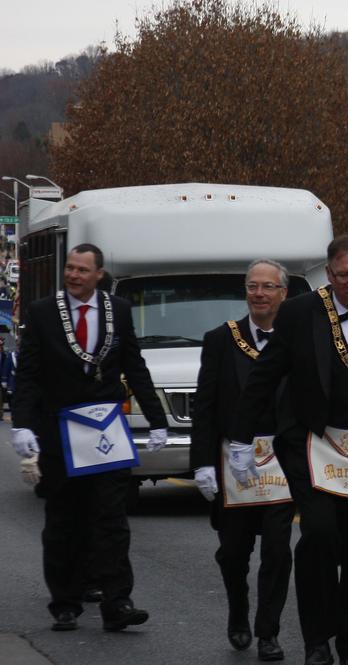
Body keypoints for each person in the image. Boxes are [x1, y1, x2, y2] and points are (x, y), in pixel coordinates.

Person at [228, 237, 348, 665]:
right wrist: (240, 438)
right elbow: (264, 378)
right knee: (320, 538)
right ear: (328, 274)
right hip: (314, 445)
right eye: (344, 275)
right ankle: (317, 640)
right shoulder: (298, 313)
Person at [10, 243, 168, 632]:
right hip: (60, 428)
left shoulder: (119, 310)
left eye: (83, 270)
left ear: (99, 274)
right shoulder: (44, 313)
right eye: (70, 268)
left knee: (112, 518)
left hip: (106, 430)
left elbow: (134, 364)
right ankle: (65, 601)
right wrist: (22, 424)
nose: (73, 275)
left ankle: (118, 602)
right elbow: (28, 375)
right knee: (65, 518)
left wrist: (156, 419)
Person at [190, 259, 295, 662]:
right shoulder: (221, 339)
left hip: (281, 463)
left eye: (268, 287)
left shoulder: (296, 338)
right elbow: (206, 406)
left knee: (278, 551)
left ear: (283, 293)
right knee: (233, 552)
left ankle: (268, 631)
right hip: (233, 462)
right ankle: (238, 610)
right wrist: (201, 462)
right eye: (253, 286)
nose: (260, 294)